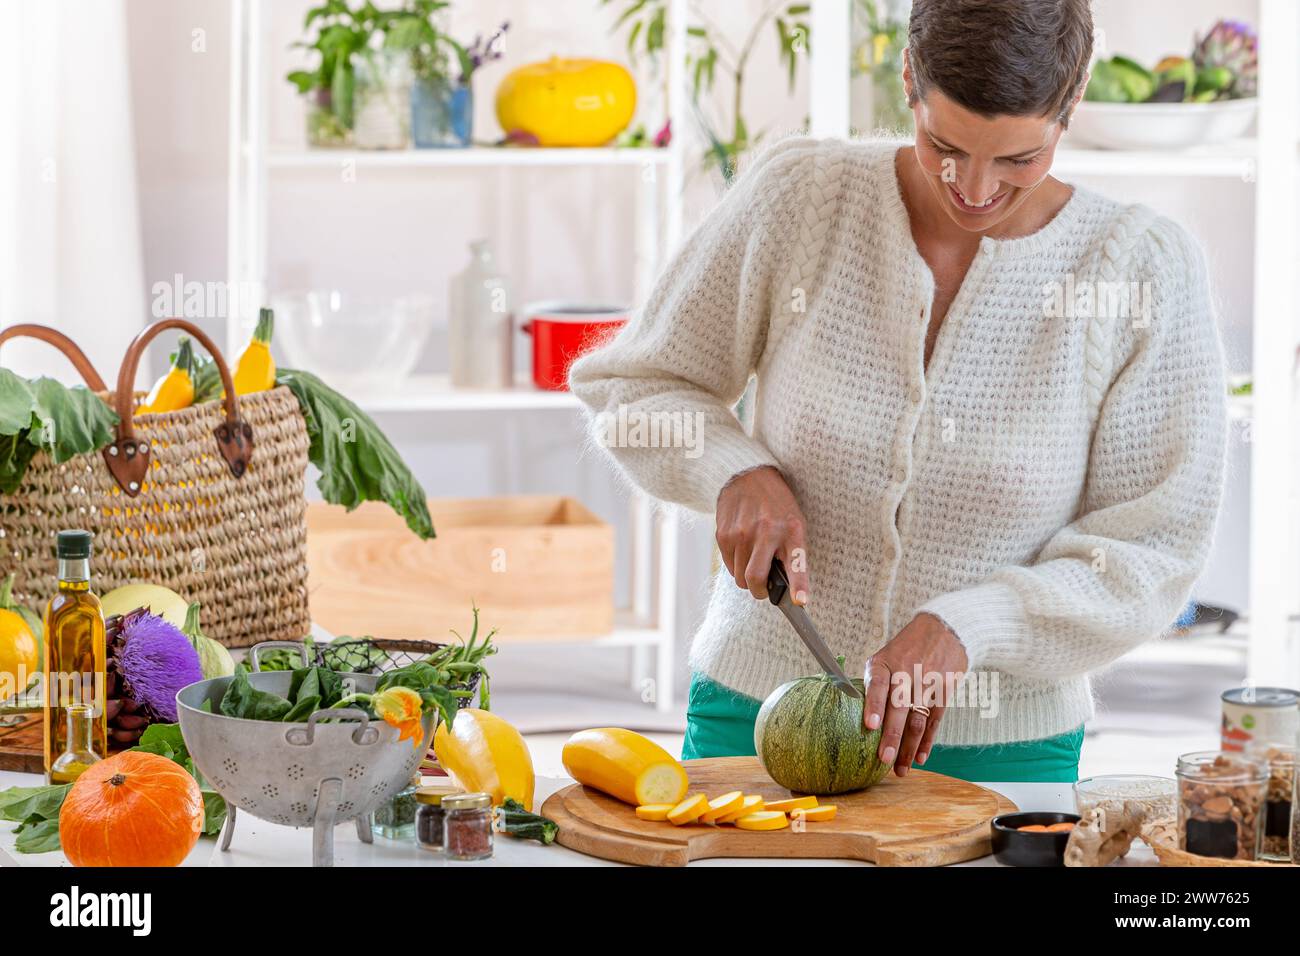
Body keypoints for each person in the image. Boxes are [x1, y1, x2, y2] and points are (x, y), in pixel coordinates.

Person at [569, 0, 1227, 783]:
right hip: (760, 712)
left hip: (1001, 743)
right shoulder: (802, 198)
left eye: (1018, 158)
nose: (974, 188)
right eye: (944, 147)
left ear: (1071, 102)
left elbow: (1153, 549)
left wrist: (972, 625)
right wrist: (730, 469)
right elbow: (634, 385)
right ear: (909, 79)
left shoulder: (1141, 269)